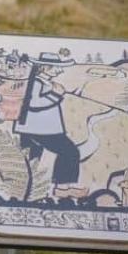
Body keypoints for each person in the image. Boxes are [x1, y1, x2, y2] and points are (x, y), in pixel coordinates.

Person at [13, 52, 88, 201]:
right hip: (40, 129)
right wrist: (56, 95)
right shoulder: (35, 83)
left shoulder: (43, 82)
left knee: (31, 159)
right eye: (56, 67)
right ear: (45, 67)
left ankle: (26, 189)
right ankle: (62, 188)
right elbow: (33, 103)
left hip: (37, 128)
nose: (59, 71)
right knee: (70, 152)